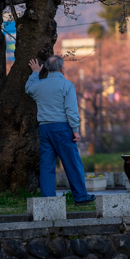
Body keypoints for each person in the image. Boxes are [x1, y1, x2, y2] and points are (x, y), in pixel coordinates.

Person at [26, 55, 95, 204]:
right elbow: (71, 110)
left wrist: (35, 72)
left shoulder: (38, 85)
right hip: (62, 127)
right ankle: (81, 197)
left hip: (44, 128)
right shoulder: (67, 85)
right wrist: (75, 129)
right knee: (72, 163)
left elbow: (28, 89)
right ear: (62, 68)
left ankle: (48, 200)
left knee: (47, 165)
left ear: (47, 69)